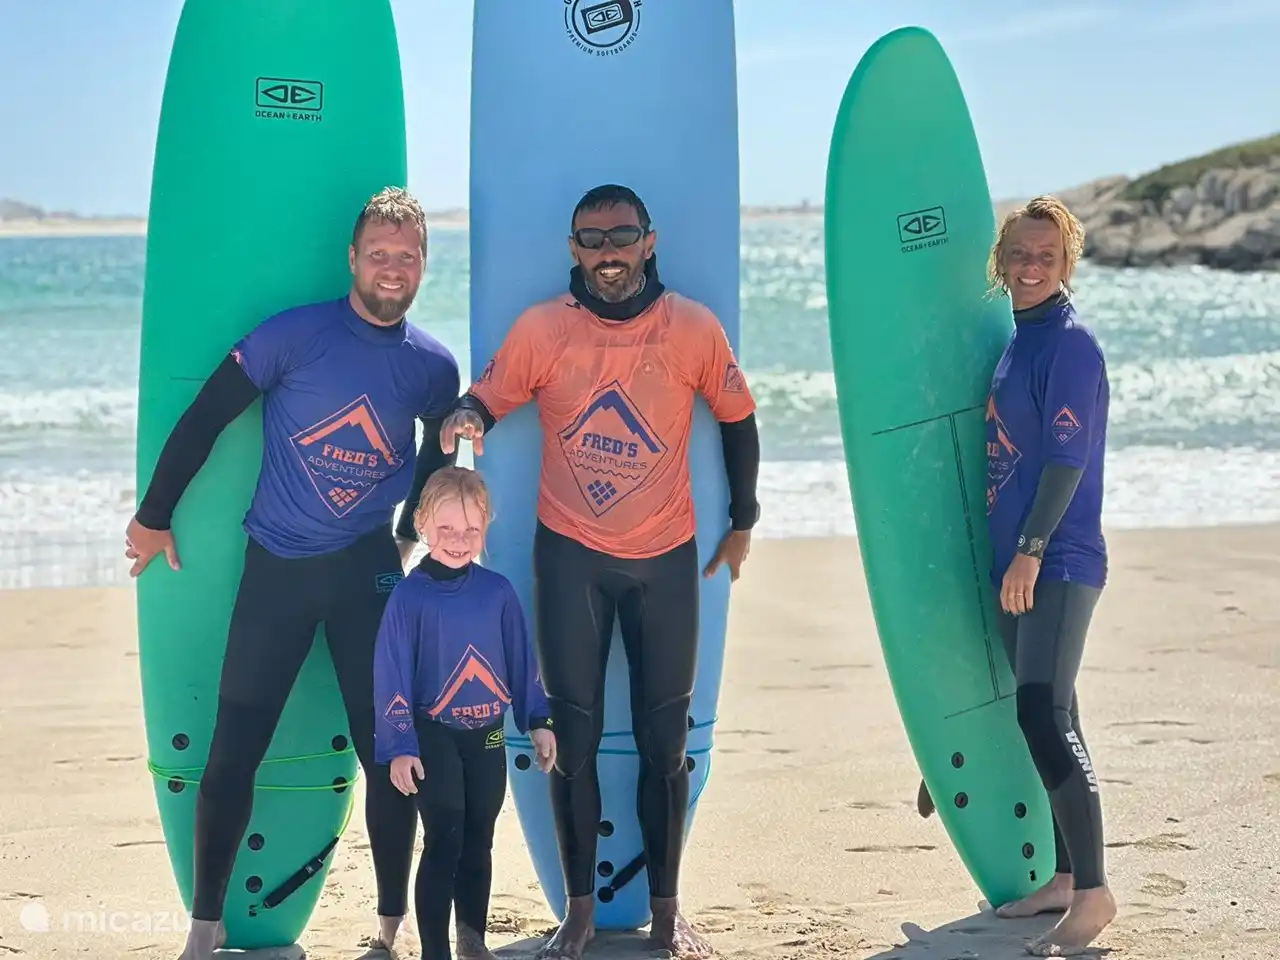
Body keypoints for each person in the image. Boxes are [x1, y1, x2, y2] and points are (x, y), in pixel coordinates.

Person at [123, 187, 461, 960]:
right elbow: (206, 416)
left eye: (407, 257)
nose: (392, 268)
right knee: (234, 748)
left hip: (367, 574)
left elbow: (438, 460)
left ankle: (388, 932)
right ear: (352, 258)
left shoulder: (433, 368)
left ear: (423, 265)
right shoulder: (294, 336)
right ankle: (204, 931)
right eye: (378, 254)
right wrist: (154, 514)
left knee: (391, 755)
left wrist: (410, 539)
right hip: (276, 569)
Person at [439, 184, 761, 960]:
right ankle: (579, 913)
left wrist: (743, 521)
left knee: (665, 744)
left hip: (666, 557)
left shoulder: (690, 327)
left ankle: (667, 913)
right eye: (593, 239)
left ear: (649, 241)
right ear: (574, 249)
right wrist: (468, 417)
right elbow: (487, 398)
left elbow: (738, 417)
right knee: (570, 740)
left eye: (622, 236)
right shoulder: (545, 329)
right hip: (572, 557)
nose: (608, 252)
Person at [927, 194, 1115, 956]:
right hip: (1021, 562)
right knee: (1054, 712)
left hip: (1058, 560)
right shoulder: (1018, 342)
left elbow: (1067, 461)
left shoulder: (1070, 346)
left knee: (1042, 712)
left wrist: (1032, 550)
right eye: (1020, 254)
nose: (1031, 267)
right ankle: (1066, 876)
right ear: (1000, 262)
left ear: (1067, 264)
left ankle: (1094, 892)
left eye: (1047, 256)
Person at [373, 465, 558, 960]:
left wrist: (538, 720)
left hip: (487, 736)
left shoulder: (497, 592)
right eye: (447, 528)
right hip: (433, 733)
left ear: (486, 526)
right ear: (422, 523)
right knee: (445, 838)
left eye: (472, 529)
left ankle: (473, 943)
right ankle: (435, 951)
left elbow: (522, 663)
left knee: (480, 838)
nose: (459, 540)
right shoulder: (409, 596)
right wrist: (399, 746)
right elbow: (390, 673)